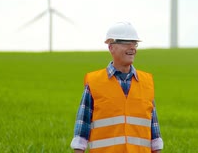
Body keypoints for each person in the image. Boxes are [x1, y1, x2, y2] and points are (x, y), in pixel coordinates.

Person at [70, 22, 164, 152]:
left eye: (134, 43)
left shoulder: (146, 82)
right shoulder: (94, 82)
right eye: (126, 42)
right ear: (111, 47)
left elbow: (155, 134)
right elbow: (81, 130)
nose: (132, 47)